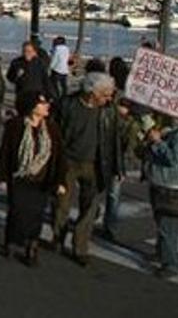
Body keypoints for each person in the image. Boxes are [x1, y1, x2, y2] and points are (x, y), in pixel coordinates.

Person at [52, 72, 122, 266]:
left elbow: (113, 139)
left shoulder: (109, 110)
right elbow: (55, 131)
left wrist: (118, 168)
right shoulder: (67, 104)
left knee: (89, 207)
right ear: (92, 92)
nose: (109, 98)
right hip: (68, 161)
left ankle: (80, 247)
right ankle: (58, 236)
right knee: (61, 202)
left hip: (96, 163)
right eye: (106, 94)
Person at [0, 91, 65, 266]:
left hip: (42, 180)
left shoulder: (51, 128)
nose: (46, 106)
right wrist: (2, 176)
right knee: (17, 212)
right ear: (32, 107)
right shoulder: (16, 126)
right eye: (42, 103)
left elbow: (59, 157)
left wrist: (60, 181)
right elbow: (6, 152)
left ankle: (31, 248)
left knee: (36, 215)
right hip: (19, 177)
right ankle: (11, 241)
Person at [146, 116, 178, 280]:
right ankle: (162, 253)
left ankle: (171, 263)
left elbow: (176, 160)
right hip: (161, 183)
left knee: (168, 226)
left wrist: (158, 142)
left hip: (171, 187)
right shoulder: (172, 131)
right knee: (161, 222)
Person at [49, 36, 71, 101]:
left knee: (54, 85)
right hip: (65, 69)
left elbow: (54, 59)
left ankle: (56, 97)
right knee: (64, 86)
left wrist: (50, 67)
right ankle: (64, 98)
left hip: (57, 69)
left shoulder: (57, 48)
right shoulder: (67, 48)